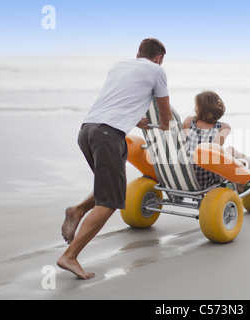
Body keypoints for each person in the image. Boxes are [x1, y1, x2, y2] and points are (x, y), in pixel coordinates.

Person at [58, 38, 172, 280]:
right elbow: (165, 107)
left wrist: (134, 120)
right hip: (108, 136)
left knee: (109, 189)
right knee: (109, 202)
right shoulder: (157, 70)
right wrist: (163, 125)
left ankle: (77, 210)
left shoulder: (119, 66)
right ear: (159, 58)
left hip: (87, 131)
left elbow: (119, 100)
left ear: (138, 53)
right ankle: (70, 256)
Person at [182, 91, 250, 191]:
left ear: (199, 108)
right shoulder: (224, 127)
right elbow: (214, 157)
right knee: (230, 150)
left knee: (227, 152)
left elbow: (181, 145)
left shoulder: (188, 121)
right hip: (207, 180)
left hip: (185, 176)